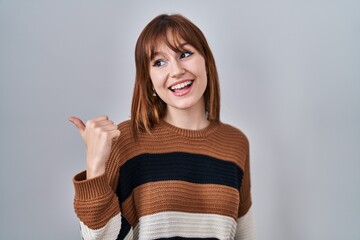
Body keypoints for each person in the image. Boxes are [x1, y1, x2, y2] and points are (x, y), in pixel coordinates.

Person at [69, 14, 256, 240]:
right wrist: (95, 165)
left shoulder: (235, 143)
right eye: (159, 62)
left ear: (205, 60)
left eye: (184, 54)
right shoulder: (127, 140)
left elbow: (245, 235)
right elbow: (98, 238)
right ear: (149, 81)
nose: (176, 71)